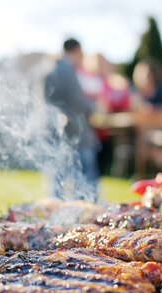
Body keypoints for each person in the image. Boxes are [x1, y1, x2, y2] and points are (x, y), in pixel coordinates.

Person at [44, 38, 100, 200]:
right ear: (76, 51)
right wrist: (93, 107)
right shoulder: (66, 70)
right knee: (84, 178)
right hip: (75, 132)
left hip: (56, 131)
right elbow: (76, 102)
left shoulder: (51, 68)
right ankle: (85, 210)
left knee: (58, 178)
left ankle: (56, 210)